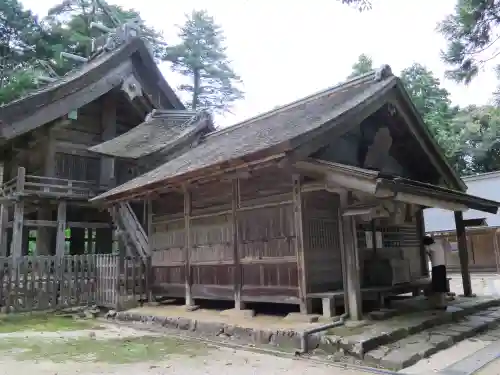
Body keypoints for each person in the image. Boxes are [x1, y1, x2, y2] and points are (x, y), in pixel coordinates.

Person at [423, 235, 448, 309]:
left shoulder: (430, 247)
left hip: (437, 268)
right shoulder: (438, 245)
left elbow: (426, 250)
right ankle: (442, 303)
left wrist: (425, 246)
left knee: (438, 287)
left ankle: (441, 304)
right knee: (442, 286)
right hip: (442, 267)